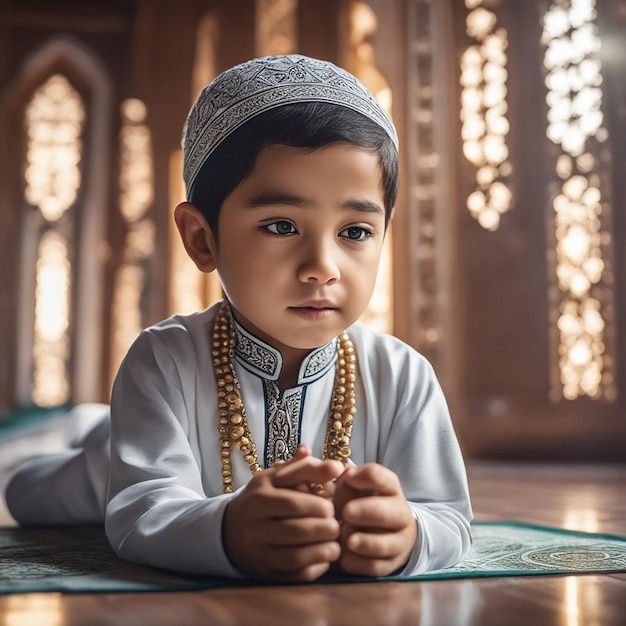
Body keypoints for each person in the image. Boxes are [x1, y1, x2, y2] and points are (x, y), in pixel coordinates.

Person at [5, 54, 472, 583]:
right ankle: (89, 429)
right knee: (29, 491)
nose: (322, 267)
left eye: (356, 232)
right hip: (106, 464)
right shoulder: (164, 360)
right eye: (280, 226)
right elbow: (139, 511)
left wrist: (409, 534)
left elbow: (449, 518)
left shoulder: (401, 374)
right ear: (202, 240)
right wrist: (228, 531)